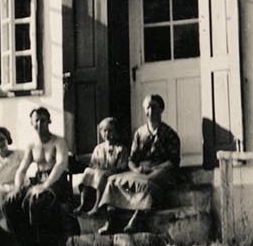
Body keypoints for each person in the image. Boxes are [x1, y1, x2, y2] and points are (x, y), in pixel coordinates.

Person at [99, 95, 182, 233]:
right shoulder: (139, 133)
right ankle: (111, 220)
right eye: (147, 108)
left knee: (147, 183)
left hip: (163, 169)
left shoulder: (169, 134)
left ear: (161, 109)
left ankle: (137, 219)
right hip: (141, 169)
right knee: (113, 180)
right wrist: (136, 169)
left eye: (154, 107)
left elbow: (173, 161)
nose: (150, 111)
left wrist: (155, 168)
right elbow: (131, 159)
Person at [7, 107, 74, 246]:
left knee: (38, 199)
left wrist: (45, 185)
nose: (40, 124)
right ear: (31, 123)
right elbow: (22, 169)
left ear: (49, 121)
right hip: (39, 180)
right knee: (11, 200)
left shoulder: (58, 141)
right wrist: (17, 188)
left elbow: (61, 165)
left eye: (43, 120)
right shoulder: (31, 145)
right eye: (36, 121)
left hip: (56, 181)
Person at [75, 117, 126, 215]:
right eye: (105, 131)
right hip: (99, 171)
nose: (107, 134)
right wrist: (96, 168)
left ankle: (97, 205)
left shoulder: (120, 148)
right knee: (87, 171)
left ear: (116, 132)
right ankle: (83, 204)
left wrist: (108, 170)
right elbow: (93, 163)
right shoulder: (98, 148)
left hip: (113, 173)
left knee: (101, 175)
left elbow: (122, 166)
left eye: (110, 131)